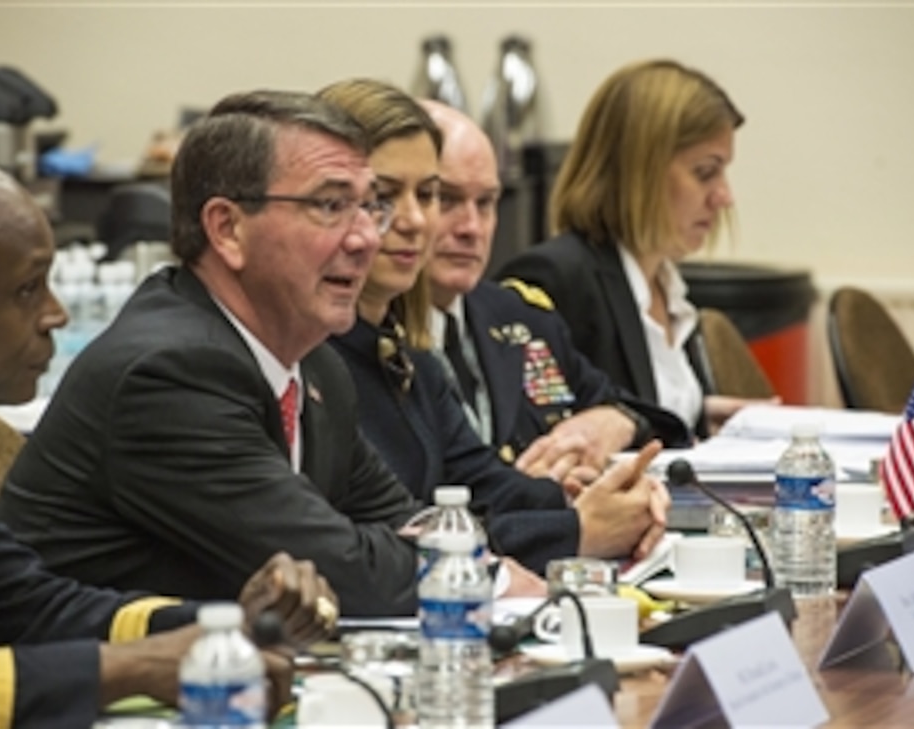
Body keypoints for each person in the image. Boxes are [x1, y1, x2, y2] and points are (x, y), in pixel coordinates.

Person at [0, 149, 337, 727]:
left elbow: (13, 602)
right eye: (26, 290)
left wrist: (214, 625)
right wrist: (125, 669)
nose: (56, 315)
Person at [0, 90, 426, 618]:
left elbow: (406, 524)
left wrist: (452, 553)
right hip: (81, 685)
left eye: (370, 207)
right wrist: (469, 567)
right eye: (331, 206)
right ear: (227, 229)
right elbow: (350, 578)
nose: (366, 239)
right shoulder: (169, 373)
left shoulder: (315, 368)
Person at [319, 78, 670, 571]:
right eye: (385, 195)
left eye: (428, 194)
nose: (418, 220)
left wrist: (600, 497)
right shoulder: (313, 354)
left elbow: (485, 483)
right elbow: (395, 534)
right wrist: (577, 529)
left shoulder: (408, 351)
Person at [496, 59, 776, 439]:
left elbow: (638, 409)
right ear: (638, 172)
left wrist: (696, 418)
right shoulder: (555, 280)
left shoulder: (665, 283)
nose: (724, 197)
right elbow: (553, 432)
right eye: (705, 172)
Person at [419, 101, 690, 485]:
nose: (471, 227)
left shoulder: (518, 315)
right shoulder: (368, 333)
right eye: (446, 199)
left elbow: (649, 421)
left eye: (485, 203)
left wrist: (617, 421)